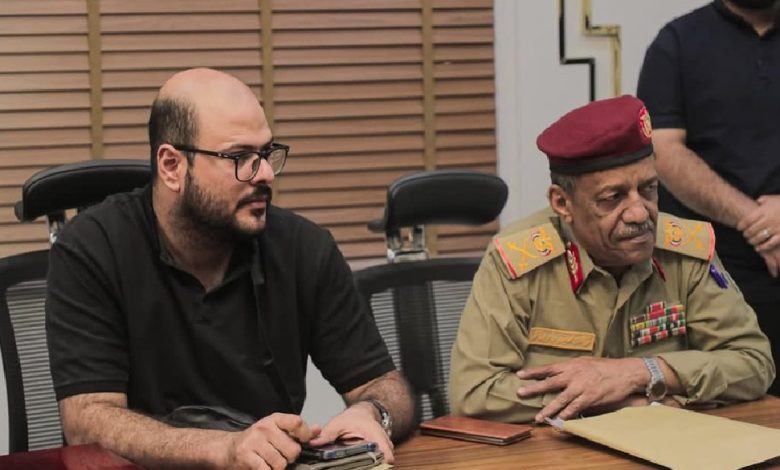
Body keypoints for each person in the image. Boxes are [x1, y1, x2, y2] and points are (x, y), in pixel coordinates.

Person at [45, 68, 415, 469]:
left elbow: (386, 385)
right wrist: (223, 449)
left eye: (267, 154)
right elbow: (88, 421)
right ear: (171, 166)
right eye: (240, 158)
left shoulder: (303, 248)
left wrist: (371, 412)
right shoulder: (92, 249)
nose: (265, 173)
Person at [448, 95, 775, 424]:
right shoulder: (517, 258)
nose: (639, 213)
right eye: (613, 198)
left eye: (648, 189)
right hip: (556, 447)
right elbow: (476, 391)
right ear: (562, 203)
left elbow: (754, 362)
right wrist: (615, 402)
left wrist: (642, 372)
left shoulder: (684, 250)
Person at [637, 0, 780, 395]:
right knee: (728, 408)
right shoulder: (677, 43)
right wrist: (761, 223)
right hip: (710, 275)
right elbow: (664, 151)